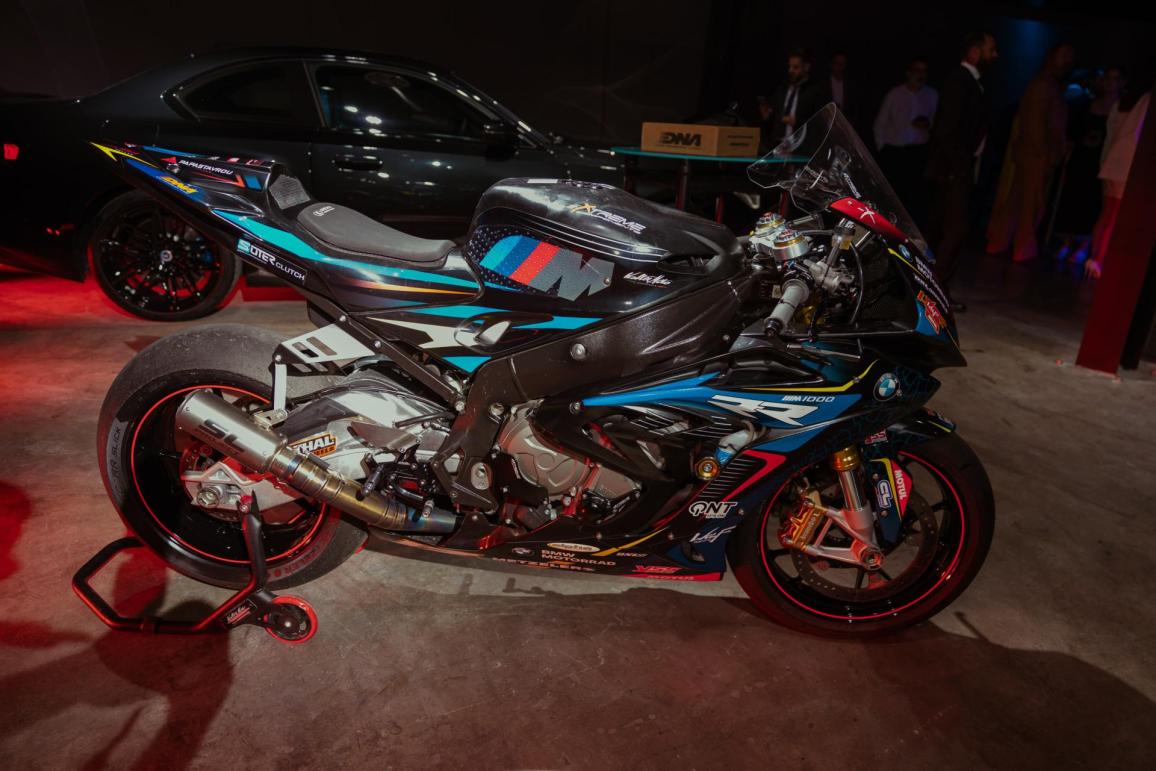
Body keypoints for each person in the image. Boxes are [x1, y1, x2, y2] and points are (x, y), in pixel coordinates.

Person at [926, 31, 999, 304]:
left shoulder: (972, 82)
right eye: (991, 49)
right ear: (975, 52)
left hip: (958, 168)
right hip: (953, 169)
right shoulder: (960, 80)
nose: (995, 55)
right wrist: (956, 168)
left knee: (944, 228)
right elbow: (947, 129)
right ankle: (935, 291)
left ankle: (934, 289)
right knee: (954, 229)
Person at [985, 43, 1075, 262]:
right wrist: (1045, 153)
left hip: (1033, 153)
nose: (1068, 60)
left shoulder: (1049, 85)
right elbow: (1034, 122)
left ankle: (1001, 242)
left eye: (1070, 56)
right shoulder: (1044, 85)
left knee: (1018, 200)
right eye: (1064, 55)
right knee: (1031, 203)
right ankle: (1022, 247)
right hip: (1036, 155)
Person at [1054, 66, 1124, 264]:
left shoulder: (1120, 109)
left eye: (1114, 78)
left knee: (1093, 202)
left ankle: (1085, 245)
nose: (1109, 82)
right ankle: (1066, 242)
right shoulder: (1088, 104)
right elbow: (1076, 129)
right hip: (1081, 158)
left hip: (1101, 161)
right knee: (1073, 197)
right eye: (1107, 77)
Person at [1085, 84, 1151, 278]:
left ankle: (1096, 258)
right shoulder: (1146, 99)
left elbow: (1111, 133)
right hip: (1125, 164)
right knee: (1113, 215)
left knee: (1108, 213)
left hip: (1113, 161)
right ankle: (1098, 260)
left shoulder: (1125, 101)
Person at [874, 57, 938, 227]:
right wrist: (882, 148)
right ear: (909, 73)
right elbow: (880, 123)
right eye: (917, 71)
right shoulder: (895, 94)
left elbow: (936, 122)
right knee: (894, 196)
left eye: (924, 71)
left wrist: (927, 125)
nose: (920, 75)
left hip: (918, 152)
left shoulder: (931, 95)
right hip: (896, 152)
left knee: (915, 198)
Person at [760, 49, 828, 147]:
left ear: (806, 67)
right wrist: (767, 116)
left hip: (801, 147)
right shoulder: (782, 89)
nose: (790, 70)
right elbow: (775, 119)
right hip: (777, 146)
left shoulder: (815, 92)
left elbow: (820, 124)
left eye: (795, 67)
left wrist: (797, 122)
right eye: (789, 67)